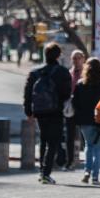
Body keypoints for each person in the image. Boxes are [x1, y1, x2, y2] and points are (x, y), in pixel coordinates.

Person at [23, 42, 72, 185]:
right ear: (58, 55)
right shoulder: (63, 72)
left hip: (39, 111)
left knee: (43, 139)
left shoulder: (34, 72)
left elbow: (27, 93)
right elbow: (67, 93)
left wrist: (28, 111)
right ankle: (46, 173)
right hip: (55, 111)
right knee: (53, 141)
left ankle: (41, 171)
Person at [71, 57, 100, 186]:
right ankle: (95, 177)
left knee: (89, 146)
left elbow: (74, 103)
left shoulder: (80, 84)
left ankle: (86, 172)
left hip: (85, 121)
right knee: (98, 149)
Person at [63, 50, 86, 170]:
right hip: (71, 108)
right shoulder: (69, 73)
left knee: (86, 134)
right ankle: (70, 160)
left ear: (83, 59)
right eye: (74, 58)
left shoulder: (87, 73)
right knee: (69, 135)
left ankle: (89, 161)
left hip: (83, 108)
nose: (76, 61)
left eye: (78, 58)